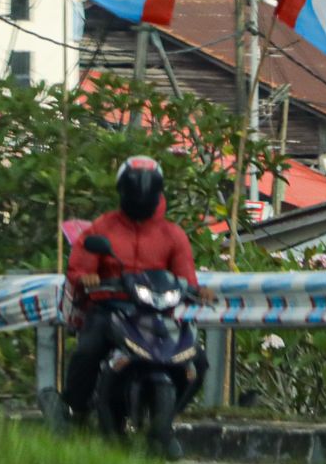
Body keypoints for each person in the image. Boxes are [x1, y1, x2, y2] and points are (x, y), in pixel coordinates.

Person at [51, 155, 211, 432]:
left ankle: (168, 416)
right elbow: (79, 267)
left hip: (157, 315)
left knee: (198, 361)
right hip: (110, 309)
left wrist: (197, 290)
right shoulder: (102, 228)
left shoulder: (172, 235)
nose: (141, 194)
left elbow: (186, 278)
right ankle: (74, 409)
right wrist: (87, 277)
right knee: (88, 351)